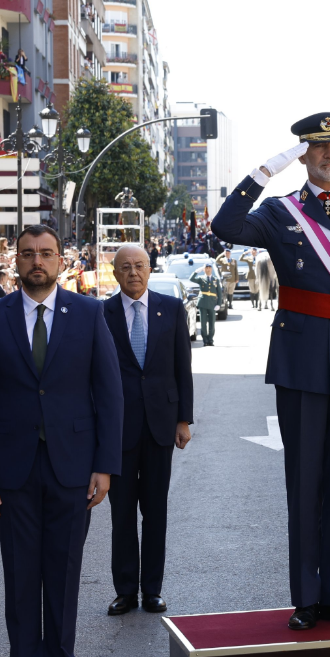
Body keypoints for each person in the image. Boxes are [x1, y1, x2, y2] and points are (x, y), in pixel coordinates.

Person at [210, 111, 330, 630]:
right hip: (299, 365)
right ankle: (307, 598)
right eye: (318, 147)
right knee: (304, 484)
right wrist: (265, 171)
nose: (329, 154)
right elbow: (224, 226)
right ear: (303, 154)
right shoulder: (279, 211)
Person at [0, 225, 123, 657]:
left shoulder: (89, 313)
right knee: (21, 575)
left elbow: (109, 395)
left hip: (74, 467)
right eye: (28, 253)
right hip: (9, 470)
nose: (37, 261)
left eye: (46, 253)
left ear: (60, 261)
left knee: (65, 571)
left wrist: (105, 466)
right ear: (16, 261)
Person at [101, 245, 194, 616]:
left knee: (155, 511)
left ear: (150, 269)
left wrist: (183, 419)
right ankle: (125, 590)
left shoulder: (170, 309)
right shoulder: (101, 313)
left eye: (139, 266)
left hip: (160, 424)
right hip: (117, 429)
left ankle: (152, 589)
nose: (133, 273)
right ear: (115, 273)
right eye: (126, 267)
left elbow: (182, 367)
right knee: (121, 512)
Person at [189, 264, 221, 345]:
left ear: (212, 269)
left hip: (212, 303)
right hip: (203, 303)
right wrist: (196, 271)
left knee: (212, 322)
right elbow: (191, 279)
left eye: (209, 268)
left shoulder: (215, 279)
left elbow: (219, 293)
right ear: (204, 269)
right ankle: (205, 340)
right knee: (203, 323)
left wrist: (219, 304)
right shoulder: (201, 279)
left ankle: (210, 339)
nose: (208, 269)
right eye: (206, 268)